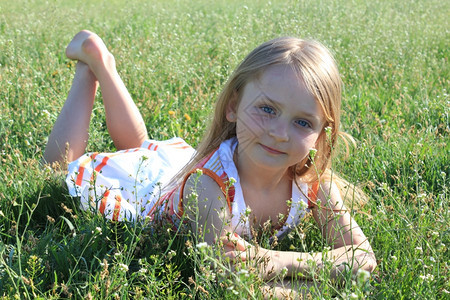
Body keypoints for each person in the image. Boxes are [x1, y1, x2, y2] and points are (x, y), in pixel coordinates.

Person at [43, 30, 376, 296]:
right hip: (148, 198)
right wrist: (321, 283)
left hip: (173, 175)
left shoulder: (313, 181)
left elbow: (364, 258)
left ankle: (103, 63)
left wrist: (276, 261)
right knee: (64, 167)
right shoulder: (209, 186)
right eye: (267, 109)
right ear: (233, 106)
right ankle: (92, 68)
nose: (279, 134)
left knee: (143, 149)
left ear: (321, 135)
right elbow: (227, 281)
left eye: (303, 122)